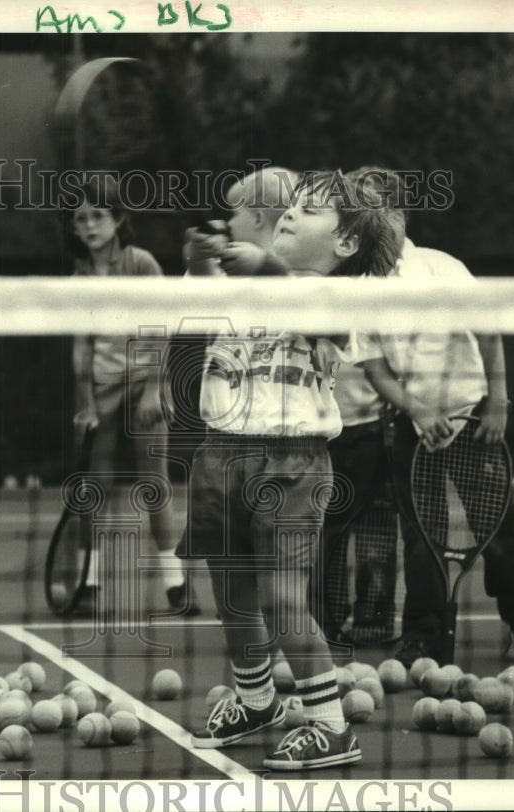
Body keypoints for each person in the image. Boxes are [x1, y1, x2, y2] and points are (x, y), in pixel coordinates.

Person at [180, 167, 405, 770]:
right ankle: (256, 700)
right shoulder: (243, 277)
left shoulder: (339, 295)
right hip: (219, 451)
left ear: (345, 244)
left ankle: (330, 725)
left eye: (309, 210)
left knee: (283, 598)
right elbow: (196, 302)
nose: (291, 212)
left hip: (293, 462)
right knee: (232, 591)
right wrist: (201, 258)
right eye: (292, 204)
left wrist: (267, 270)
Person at [355, 167, 514, 665]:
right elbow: (375, 369)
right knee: (421, 537)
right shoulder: (359, 288)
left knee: (499, 528)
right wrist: (416, 409)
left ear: (398, 214)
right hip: (410, 430)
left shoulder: (445, 269)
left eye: (373, 206)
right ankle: (423, 634)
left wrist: (497, 406)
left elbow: (488, 333)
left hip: (474, 423)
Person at [68, 179, 198, 616]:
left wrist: (155, 387)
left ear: (118, 220)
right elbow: (82, 347)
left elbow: (160, 327)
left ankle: (175, 585)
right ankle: (88, 582)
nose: (89, 226)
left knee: (155, 483)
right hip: (102, 389)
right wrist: (86, 403)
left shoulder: (140, 264)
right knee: (94, 486)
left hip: (144, 384)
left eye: (97, 216)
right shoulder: (81, 278)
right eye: (81, 218)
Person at [317, 362, 399, 647]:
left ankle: (374, 619)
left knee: (375, 530)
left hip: (373, 429)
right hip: (320, 430)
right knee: (323, 529)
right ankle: (325, 618)